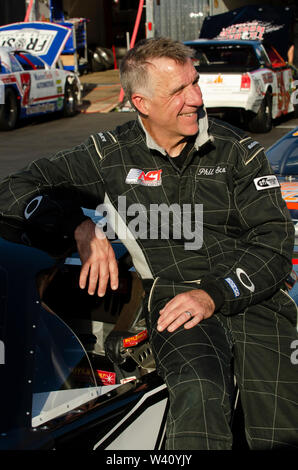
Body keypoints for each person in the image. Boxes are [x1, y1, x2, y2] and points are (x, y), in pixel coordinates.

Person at [0, 37, 298, 450]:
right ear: (141, 103)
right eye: (178, 91)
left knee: (278, 428)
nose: (196, 98)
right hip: (175, 300)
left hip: (252, 295)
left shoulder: (238, 151)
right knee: (199, 390)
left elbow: (276, 242)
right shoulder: (111, 154)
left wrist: (213, 294)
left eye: (195, 83)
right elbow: (15, 188)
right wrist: (80, 228)